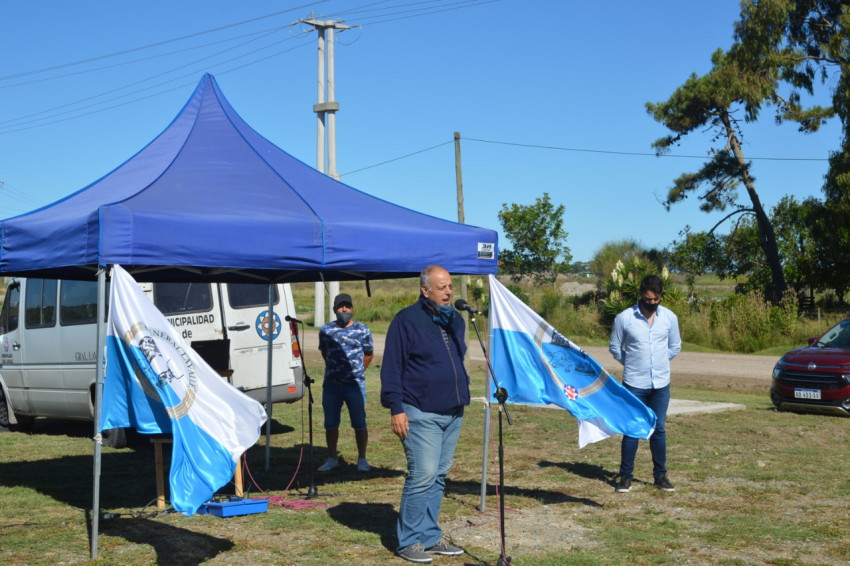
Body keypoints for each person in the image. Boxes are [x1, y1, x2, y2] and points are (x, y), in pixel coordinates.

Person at [380, 265, 469, 564]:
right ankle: (408, 541)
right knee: (423, 474)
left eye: (450, 286)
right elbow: (392, 367)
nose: (448, 292)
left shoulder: (455, 319)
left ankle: (429, 536)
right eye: (442, 287)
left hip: (452, 411)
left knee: (439, 475)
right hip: (420, 410)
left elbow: (456, 358)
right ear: (425, 290)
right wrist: (396, 408)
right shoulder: (406, 320)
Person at [609, 274, 681, 493]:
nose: (652, 303)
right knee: (632, 429)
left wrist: (659, 361)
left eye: (656, 299)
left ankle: (660, 476)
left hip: (661, 384)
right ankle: (625, 477)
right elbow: (615, 348)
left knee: (658, 429)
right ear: (641, 294)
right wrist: (631, 362)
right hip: (634, 384)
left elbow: (675, 346)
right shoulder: (624, 318)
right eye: (648, 299)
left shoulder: (669, 318)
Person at [317, 293, 374, 472]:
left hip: (354, 386)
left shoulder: (362, 330)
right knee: (331, 424)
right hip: (332, 385)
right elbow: (324, 352)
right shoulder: (326, 330)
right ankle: (332, 458)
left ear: (352, 309)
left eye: (347, 306)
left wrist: (357, 371)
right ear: (334, 310)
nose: (344, 310)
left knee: (359, 423)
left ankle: (362, 459)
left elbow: (369, 354)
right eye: (340, 307)